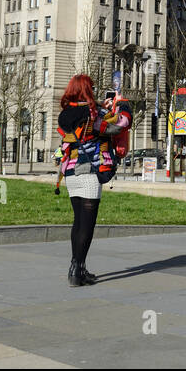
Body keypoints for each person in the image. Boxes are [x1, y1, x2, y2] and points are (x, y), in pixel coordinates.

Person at [57, 74, 106, 286]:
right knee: (87, 224)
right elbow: (113, 128)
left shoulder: (64, 114)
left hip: (69, 172)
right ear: (86, 89)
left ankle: (78, 267)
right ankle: (77, 269)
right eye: (92, 87)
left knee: (77, 222)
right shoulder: (93, 112)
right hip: (89, 170)